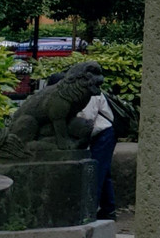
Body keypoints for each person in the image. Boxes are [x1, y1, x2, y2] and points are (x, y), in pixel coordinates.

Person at [47, 71, 117, 220]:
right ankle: (108, 210)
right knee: (103, 172)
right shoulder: (75, 92)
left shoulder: (85, 94)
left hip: (102, 133)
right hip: (99, 133)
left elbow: (87, 121)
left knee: (95, 172)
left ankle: (89, 212)